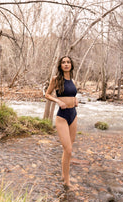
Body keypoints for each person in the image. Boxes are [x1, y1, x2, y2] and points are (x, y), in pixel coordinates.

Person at [45, 56, 78, 189]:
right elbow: (47, 94)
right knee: (68, 149)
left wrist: (75, 100)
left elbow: (72, 94)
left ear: (71, 65)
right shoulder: (56, 79)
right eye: (63, 62)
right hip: (62, 117)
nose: (66, 64)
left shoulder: (73, 80)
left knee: (68, 149)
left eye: (68, 62)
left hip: (73, 115)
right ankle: (67, 182)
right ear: (60, 65)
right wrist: (58, 101)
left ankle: (64, 175)